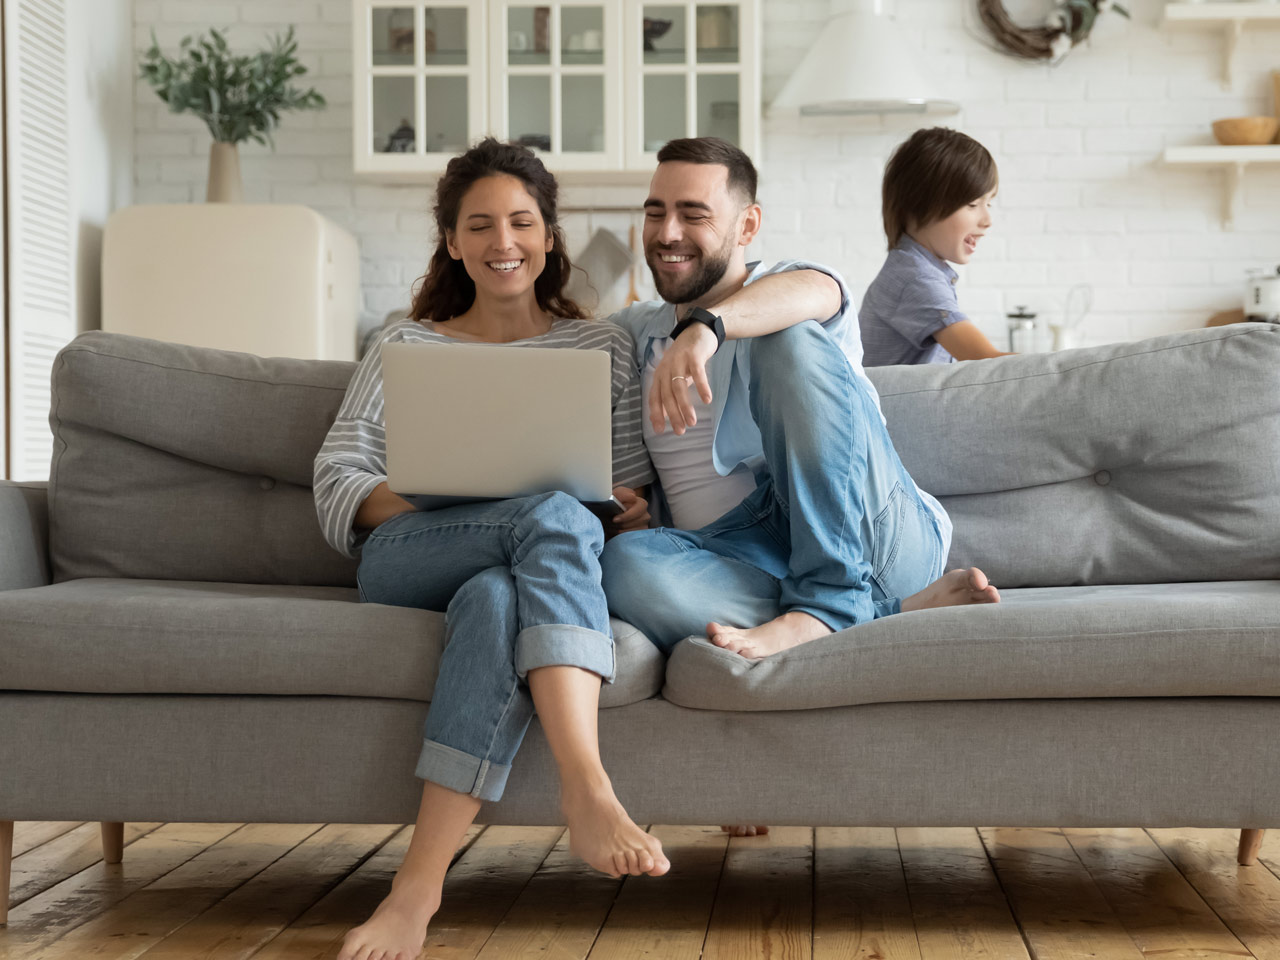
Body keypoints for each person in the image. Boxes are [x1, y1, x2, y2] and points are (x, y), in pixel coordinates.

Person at [314, 138, 669, 960]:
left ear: (548, 236)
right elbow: (337, 476)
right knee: (546, 513)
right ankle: (587, 789)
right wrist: (457, 494)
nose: (502, 241)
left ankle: (416, 890)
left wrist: (630, 504)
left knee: (499, 598)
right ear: (452, 241)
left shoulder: (602, 348)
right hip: (411, 552)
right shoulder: (406, 348)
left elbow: (625, 484)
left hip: (522, 568)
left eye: (520, 221)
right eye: (480, 225)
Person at [600, 137, 1000, 666]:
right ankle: (880, 612)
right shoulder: (634, 332)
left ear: (747, 226)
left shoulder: (789, 286)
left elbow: (815, 292)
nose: (668, 232)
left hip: (872, 532)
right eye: (656, 213)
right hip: (745, 554)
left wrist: (707, 328)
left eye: (693, 214)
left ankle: (829, 600)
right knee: (621, 565)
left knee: (784, 334)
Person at [859, 127, 1011, 366]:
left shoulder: (917, 269)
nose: (987, 220)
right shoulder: (915, 279)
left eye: (988, 203)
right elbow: (988, 362)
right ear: (919, 204)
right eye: (972, 204)